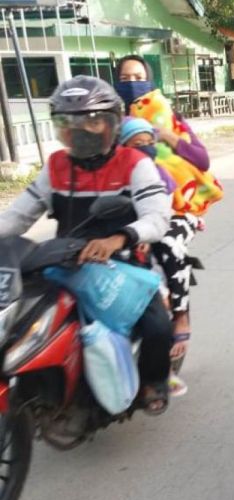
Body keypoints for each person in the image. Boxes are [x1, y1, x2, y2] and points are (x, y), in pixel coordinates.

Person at [0, 76, 173, 414]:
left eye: (93, 121)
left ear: (112, 123)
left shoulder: (135, 163)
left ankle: (154, 381)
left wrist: (119, 237)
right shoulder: (56, 166)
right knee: (21, 319)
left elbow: (157, 217)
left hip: (124, 262)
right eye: (70, 122)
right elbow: (18, 216)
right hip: (65, 261)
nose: (81, 130)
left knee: (157, 326)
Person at [114, 55, 215, 370]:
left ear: (150, 81)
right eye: (125, 79)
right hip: (123, 208)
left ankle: (180, 314)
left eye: (138, 77)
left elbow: (202, 160)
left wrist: (166, 135)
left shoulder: (168, 118)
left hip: (174, 209)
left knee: (168, 245)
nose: (132, 84)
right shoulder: (106, 122)